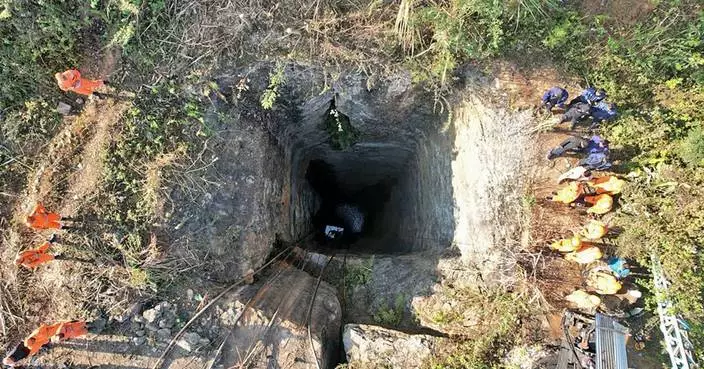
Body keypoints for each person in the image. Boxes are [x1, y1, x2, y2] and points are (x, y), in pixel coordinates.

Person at [2, 321, 88, 366]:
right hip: (47, 336)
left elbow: (42, 331)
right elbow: (40, 340)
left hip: (51, 333)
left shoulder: (28, 343)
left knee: (68, 328)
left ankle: (85, 325)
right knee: (70, 331)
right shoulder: (26, 351)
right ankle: (85, 329)